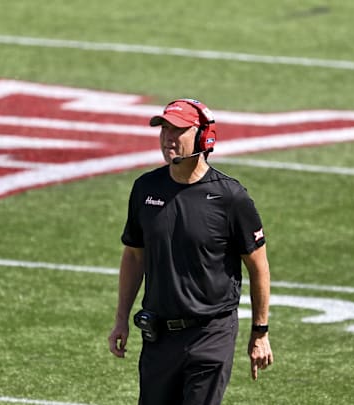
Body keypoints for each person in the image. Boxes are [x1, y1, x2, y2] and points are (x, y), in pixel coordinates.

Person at [107, 98, 273, 405]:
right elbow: (133, 256)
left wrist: (260, 331)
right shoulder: (145, 189)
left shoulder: (230, 197)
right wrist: (120, 320)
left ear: (203, 137)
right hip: (158, 335)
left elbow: (258, 265)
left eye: (178, 130)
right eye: (164, 129)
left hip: (210, 334)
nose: (168, 137)